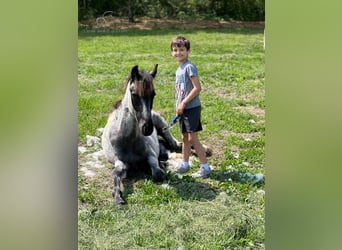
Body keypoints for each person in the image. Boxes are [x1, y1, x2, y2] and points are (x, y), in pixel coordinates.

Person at [170, 35, 212, 178]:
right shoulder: (179, 69)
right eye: (175, 50)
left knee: (193, 138)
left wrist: (184, 103)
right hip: (183, 109)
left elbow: (197, 88)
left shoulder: (189, 67)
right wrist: (179, 105)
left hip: (191, 108)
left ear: (188, 51)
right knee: (184, 137)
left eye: (181, 50)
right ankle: (185, 163)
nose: (178, 53)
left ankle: (205, 167)